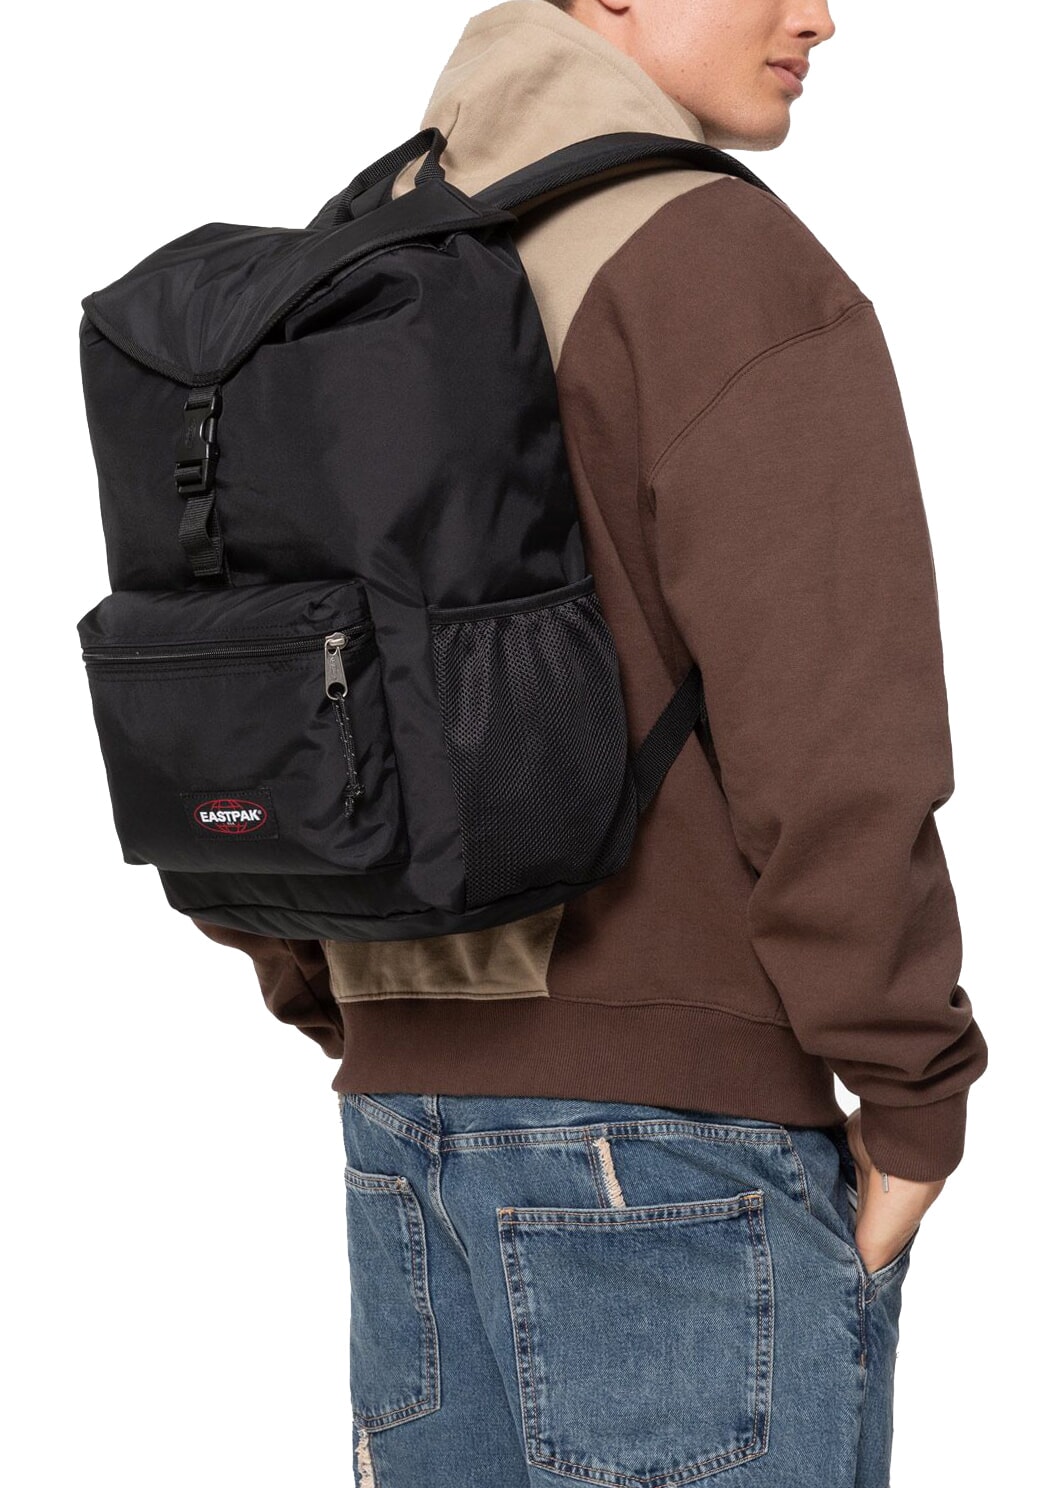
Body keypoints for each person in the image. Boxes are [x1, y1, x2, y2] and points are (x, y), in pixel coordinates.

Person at [196, 3, 989, 1483]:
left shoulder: (360, 249)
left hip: (404, 1122)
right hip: (681, 1147)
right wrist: (913, 1092)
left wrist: (345, 996)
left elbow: (253, 677)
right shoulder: (712, 258)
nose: (822, 15)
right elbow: (836, 729)